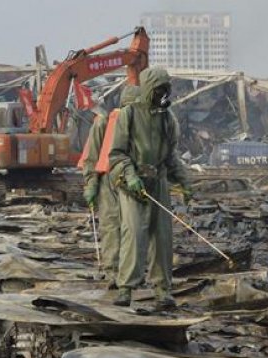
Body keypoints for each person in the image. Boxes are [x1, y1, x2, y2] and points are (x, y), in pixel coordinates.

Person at [108, 67, 193, 310]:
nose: (162, 94)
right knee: (134, 234)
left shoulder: (168, 119)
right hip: (133, 184)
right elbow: (117, 153)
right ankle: (126, 287)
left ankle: (162, 290)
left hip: (159, 183)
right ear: (148, 89)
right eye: (158, 90)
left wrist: (185, 182)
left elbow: (171, 157)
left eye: (165, 90)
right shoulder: (129, 115)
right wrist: (130, 174)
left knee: (163, 237)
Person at [81, 85, 140, 289]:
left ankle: (133, 270)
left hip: (133, 180)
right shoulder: (104, 123)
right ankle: (112, 271)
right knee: (111, 225)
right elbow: (92, 157)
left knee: (134, 228)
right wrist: (91, 184)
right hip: (108, 181)